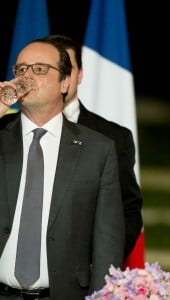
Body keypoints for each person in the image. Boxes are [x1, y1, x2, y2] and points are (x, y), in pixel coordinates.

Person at [0, 38, 125, 299]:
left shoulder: (97, 150)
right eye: (21, 69)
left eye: (40, 69)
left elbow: (107, 242)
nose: (27, 77)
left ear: (65, 83)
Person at [43, 34, 143, 261]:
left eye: (67, 68)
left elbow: (128, 211)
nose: (61, 79)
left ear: (80, 75)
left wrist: (98, 264)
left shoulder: (113, 137)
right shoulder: (9, 130)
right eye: (50, 69)